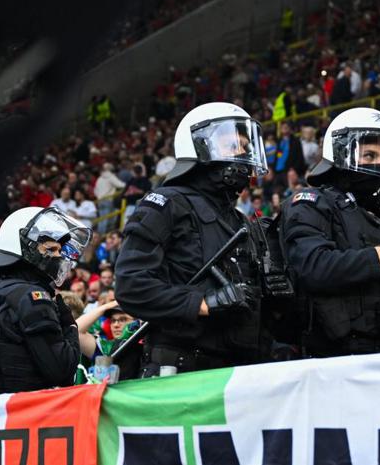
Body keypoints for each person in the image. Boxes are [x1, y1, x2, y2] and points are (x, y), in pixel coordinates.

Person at [115, 102, 270, 376]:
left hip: (239, 372)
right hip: (181, 370)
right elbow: (131, 286)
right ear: (199, 146)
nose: (243, 154)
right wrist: (201, 304)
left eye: (246, 147)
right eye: (233, 144)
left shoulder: (241, 221)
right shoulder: (167, 204)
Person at [279, 107, 380, 357]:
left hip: (379, 348)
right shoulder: (311, 202)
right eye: (369, 154)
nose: (379, 164)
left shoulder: (376, 213)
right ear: (341, 153)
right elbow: (314, 266)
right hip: (331, 353)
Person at [0, 206, 90, 396]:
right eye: (51, 249)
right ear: (25, 247)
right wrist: (71, 328)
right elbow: (61, 369)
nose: (59, 256)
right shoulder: (32, 297)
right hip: (29, 414)